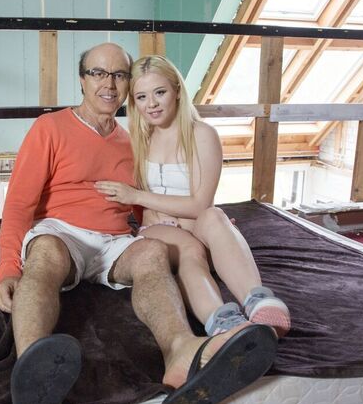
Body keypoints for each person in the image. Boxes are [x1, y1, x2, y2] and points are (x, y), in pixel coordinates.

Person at [0, 44, 277, 404]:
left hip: (115, 240)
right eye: (98, 73)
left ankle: (182, 352)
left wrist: (196, 232)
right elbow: (19, 204)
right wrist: (7, 270)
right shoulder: (49, 127)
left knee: (152, 252)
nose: (109, 83)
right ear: (82, 80)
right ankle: (33, 369)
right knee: (46, 252)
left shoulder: (132, 141)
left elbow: (144, 205)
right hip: (62, 232)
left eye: (119, 75)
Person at [95, 55, 291, 341]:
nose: (152, 104)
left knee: (215, 215)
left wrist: (137, 195)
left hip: (198, 226)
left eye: (160, 92)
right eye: (142, 97)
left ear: (176, 90)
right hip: (161, 231)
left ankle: (259, 302)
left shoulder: (202, 134)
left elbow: (200, 205)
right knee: (190, 248)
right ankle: (223, 321)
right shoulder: (138, 139)